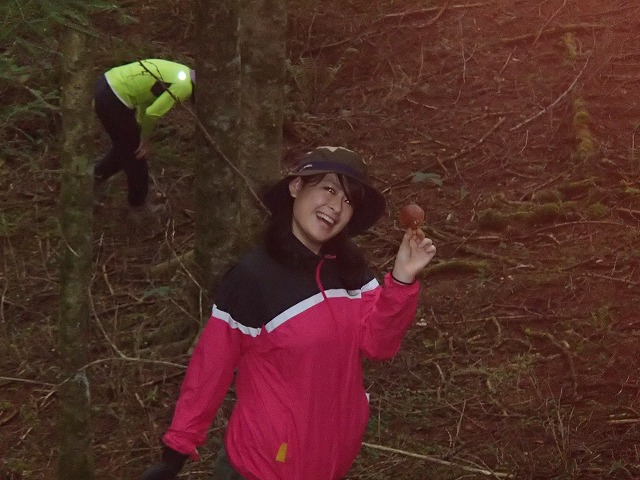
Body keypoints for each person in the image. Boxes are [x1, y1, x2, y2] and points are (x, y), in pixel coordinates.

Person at [142, 146, 437, 480]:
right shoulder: (254, 278)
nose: (336, 207)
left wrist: (402, 278)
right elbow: (210, 367)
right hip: (260, 469)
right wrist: (175, 453)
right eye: (328, 189)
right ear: (296, 186)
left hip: (327, 466)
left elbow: (378, 345)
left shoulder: (351, 271)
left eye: (349, 200)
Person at [93, 59, 195, 217]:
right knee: (136, 155)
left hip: (107, 83)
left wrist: (139, 127)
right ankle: (138, 207)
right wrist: (145, 140)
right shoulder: (185, 86)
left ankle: (90, 182)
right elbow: (152, 113)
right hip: (114, 97)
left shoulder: (182, 72)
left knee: (126, 149)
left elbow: (147, 98)